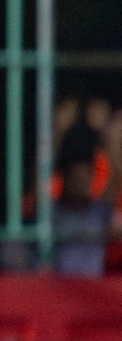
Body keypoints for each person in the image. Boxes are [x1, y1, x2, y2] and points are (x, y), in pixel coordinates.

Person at [53, 119, 122, 277]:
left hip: (90, 294)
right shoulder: (49, 213)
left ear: (92, 175)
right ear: (64, 175)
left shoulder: (103, 211)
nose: (80, 184)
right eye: (75, 178)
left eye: (85, 177)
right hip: (56, 294)